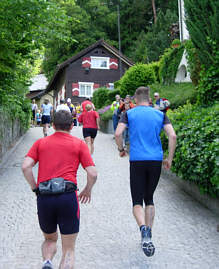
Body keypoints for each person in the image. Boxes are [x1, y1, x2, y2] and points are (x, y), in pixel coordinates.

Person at [22, 110, 97, 269]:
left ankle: (47, 261)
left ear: (53, 125)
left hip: (45, 197)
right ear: (71, 125)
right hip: (68, 197)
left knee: (49, 239)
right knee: (69, 249)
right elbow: (93, 173)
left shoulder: (40, 143)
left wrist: (35, 188)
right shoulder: (79, 144)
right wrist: (87, 190)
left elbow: (25, 167)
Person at [115, 86, 176, 257]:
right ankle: (148, 236)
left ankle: (143, 229)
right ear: (149, 99)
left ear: (135, 99)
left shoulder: (129, 113)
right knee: (149, 198)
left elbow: (118, 133)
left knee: (136, 201)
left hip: (137, 160)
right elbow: (172, 136)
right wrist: (169, 159)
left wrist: (121, 149)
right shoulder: (160, 114)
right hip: (155, 159)